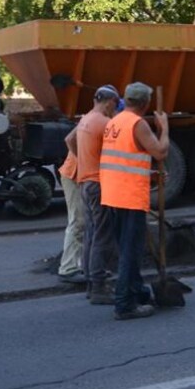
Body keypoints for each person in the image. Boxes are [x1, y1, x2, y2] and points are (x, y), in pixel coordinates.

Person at [100, 82, 170, 321]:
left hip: (113, 193)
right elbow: (160, 152)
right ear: (144, 104)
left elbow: (124, 158)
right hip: (129, 196)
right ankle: (124, 305)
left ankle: (137, 291)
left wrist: (151, 174)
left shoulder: (114, 122)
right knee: (131, 252)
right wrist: (164, 128)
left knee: (127, 248)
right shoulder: (137, 124)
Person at [65, 84, 120, 304]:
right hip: (99, 185)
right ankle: (99, 287)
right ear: (109, 102)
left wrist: (84, 160)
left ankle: (90, 281)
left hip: (85, 182)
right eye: (115, 104)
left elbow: (69, 141)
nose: (114, 108)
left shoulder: (85, 119)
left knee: (91, 233)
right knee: (102, 236)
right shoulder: (105, 123)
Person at [55, 150, 87, 284]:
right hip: (75, 176)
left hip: (80, 175)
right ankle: (68, 268)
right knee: (78, 222)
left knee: (84, 223)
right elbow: (70, 139)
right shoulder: (93, 128)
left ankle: (84, 265)